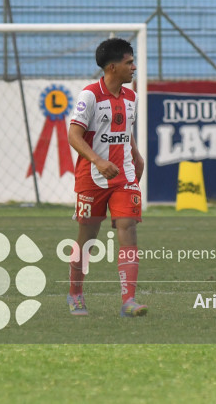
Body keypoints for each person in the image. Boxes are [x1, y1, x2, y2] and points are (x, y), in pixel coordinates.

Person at [66, 38, 147, 318]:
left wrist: (135, 155)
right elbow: (73, 136)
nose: (134, 67)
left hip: (123, 176)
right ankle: (75, 293)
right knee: (88, 238)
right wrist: (98, 161)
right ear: (112, 67)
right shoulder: (89, 96)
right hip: (92, 178)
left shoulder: (131, 97)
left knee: (128, 228)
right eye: (129, 63)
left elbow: (124, 131)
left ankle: (129, 300)